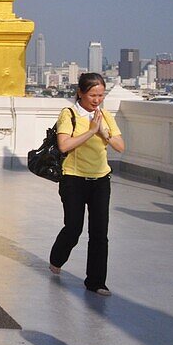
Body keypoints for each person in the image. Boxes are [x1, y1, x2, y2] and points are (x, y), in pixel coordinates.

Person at [48, 72, 125, 296]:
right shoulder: (69, 114)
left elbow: (121, 147)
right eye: (92, 95)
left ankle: (96, 281)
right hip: (73, 178)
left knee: (100, 233)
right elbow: (64, 145)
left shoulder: (105, 115)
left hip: (101, 179)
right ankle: (57, 257)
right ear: (80, 93)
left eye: (101, 95)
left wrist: (104, 133)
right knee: (74, 228)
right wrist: (92, 131)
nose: (97, 100)